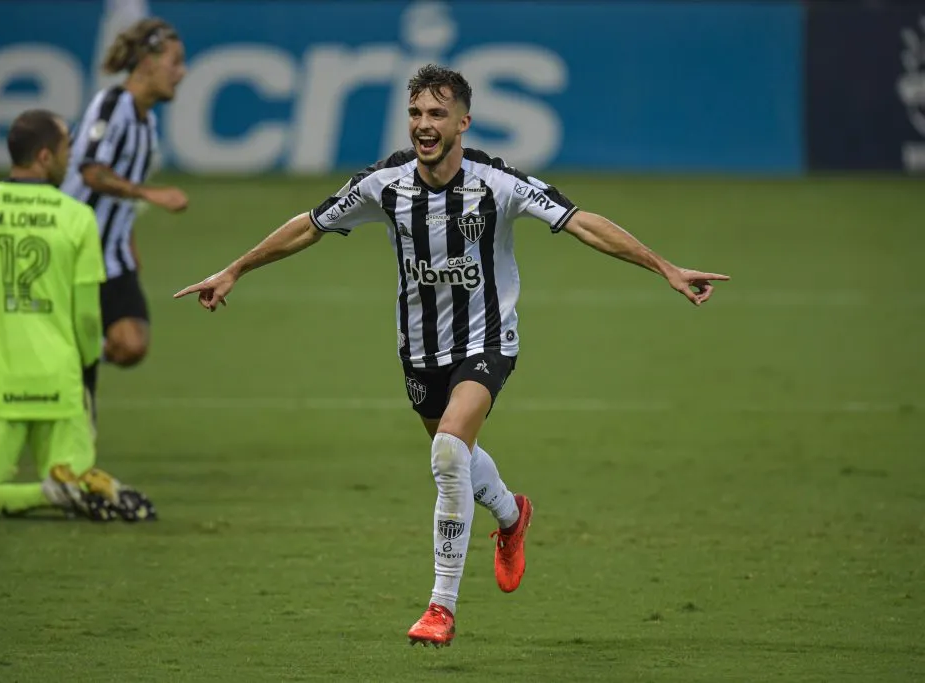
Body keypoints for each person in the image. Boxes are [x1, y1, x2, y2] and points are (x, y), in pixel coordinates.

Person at [173, 64, 730, 646]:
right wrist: (236, 268)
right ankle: (513, 516)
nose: (424, 124)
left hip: (487, 341)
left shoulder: (498, 184)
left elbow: (581, 223)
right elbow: (309, 226)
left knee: (446, 455)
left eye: (437, 114)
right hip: (419, 350)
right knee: (455, 455)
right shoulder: (384, 184)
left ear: (463, 122)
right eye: (416, 113)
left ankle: (440, 607)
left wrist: (664, 266)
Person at [0, 108, 154, 522]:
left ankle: (44, 493)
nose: (72, 157)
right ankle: (60, 490)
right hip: (62, 382)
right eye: (67, 147)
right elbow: (89, 317)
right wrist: (88, 377)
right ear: (45, 157)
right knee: (75, 477)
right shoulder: (77, 217)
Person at [60, 17, 189, 371]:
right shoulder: (111, 106)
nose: (182, 73)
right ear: (148, 63)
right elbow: (91, 171)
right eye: (175, 62)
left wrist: (130, 245)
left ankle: (74, 351)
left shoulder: (147, 122)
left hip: (113, 257)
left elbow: (118, 195)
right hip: (72, 251)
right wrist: (151, 195)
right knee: (80, 366)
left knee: (131, 345)